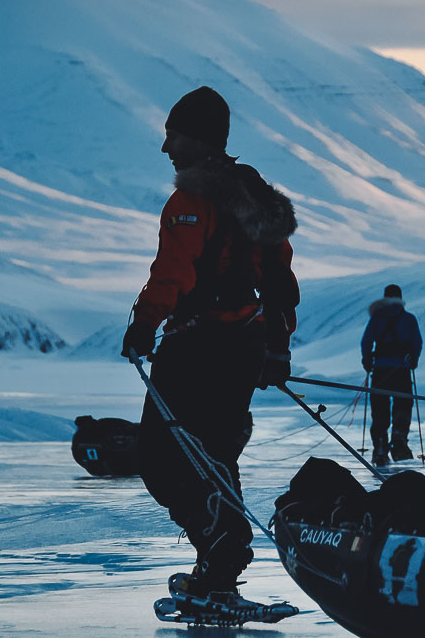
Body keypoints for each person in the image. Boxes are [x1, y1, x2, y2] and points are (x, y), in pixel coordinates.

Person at [120, 86, 299, 609]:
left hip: (197, 344)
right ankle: (219, 568)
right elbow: (280, 279)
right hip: (245, 343)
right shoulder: (254, 194)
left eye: (172, 135)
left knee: (159, 455)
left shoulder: (190, 202)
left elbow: (172, 272)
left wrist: (143, 324)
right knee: (215, 453)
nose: (165, 148)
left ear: (197, 139)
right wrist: (276, 348)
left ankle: (219, 542)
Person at [360, 284, 423, 466]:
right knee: (403, 405)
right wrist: (414, 360)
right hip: (401, 371)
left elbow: (366, 342)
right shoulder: (409, 319)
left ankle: (380, 448)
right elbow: (417, 343)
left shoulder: (376, 319)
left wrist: (367, 361)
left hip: (380, 371)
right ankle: (399, 442)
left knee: (380, 410)